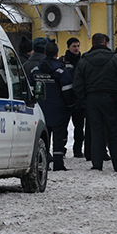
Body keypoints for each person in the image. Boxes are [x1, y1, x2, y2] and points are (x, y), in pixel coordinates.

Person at [73, 33, 117, 172]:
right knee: (114, 132)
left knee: (96, 132)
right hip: (111, 98)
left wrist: (85, 97)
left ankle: (97, 164)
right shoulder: (115, 59)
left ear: (93, 43)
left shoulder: (84, 60)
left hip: (92, 98)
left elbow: (77, 83)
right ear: (105, 43)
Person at [29, 42, 75, 171]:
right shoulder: (61, 71)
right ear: (57, 54)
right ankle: (58, 164)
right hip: (58, 109)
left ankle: (43, 164)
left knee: (43, 138)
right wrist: (70, 105)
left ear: (44, 53)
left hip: (40, 109)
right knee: (58, 138)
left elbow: (31, 90)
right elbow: (67, 92)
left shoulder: (35, 70)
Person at [59, 37, 87, 158]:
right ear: (68, 47)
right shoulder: (63, 61)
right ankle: (61, 149)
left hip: (79, 99)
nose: (76, 49)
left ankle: (77, 150)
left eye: (78, 46)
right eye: (74, 46)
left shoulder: (83, 60)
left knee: (79, 127)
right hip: (65, 99)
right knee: (63, 126)